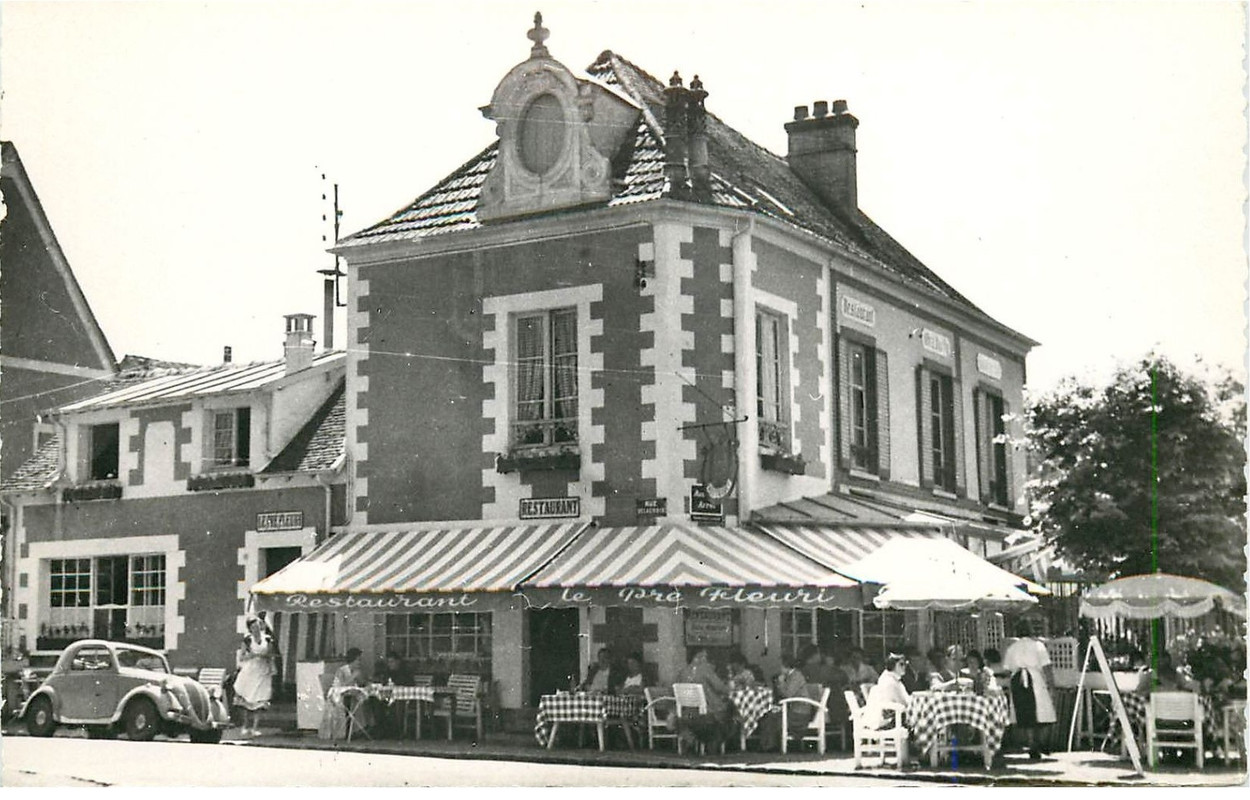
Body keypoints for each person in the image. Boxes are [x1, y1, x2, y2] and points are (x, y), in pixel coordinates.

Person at [1002, 621, 1056, 760]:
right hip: (1034, 679)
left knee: (1025, 713)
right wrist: (1051, 683)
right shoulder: (1038, 646)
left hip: (1017, 680)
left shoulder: (1012, 648)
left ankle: (1033, 743)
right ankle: (1037, 744)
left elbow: (1007, 669)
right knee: (1042, 711)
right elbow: (1047, 667)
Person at [676, 648, 730, 752]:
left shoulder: (682, 672)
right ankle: (718, 743)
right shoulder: (705, 670)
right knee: (730, 711)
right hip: (707, 713)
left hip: (687, 713)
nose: (706, 659)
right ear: (699, 657)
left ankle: (692, 739)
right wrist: (731, 687)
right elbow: (720, 688)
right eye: (705, 656)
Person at [232, 615, 278, 737]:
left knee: (259, 699)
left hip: (262, 671)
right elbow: (241, 657)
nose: (256, 628)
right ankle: (245, 726)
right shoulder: (247, 640)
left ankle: (255, 727)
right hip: (250, 671)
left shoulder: (267, 639)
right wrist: (251, 656)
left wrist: (269, 663)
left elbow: (271, 655)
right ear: (250, 629)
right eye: (253, 627)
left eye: (257, 625)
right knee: (248, 698)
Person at [863, 653, 911, 731]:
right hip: (889, 720)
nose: (904, 667)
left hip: (893, 716)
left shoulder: (891, 678)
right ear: (892, 665)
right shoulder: (890, 681)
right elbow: (903, 703)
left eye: (905, 664)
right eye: (901, 664)